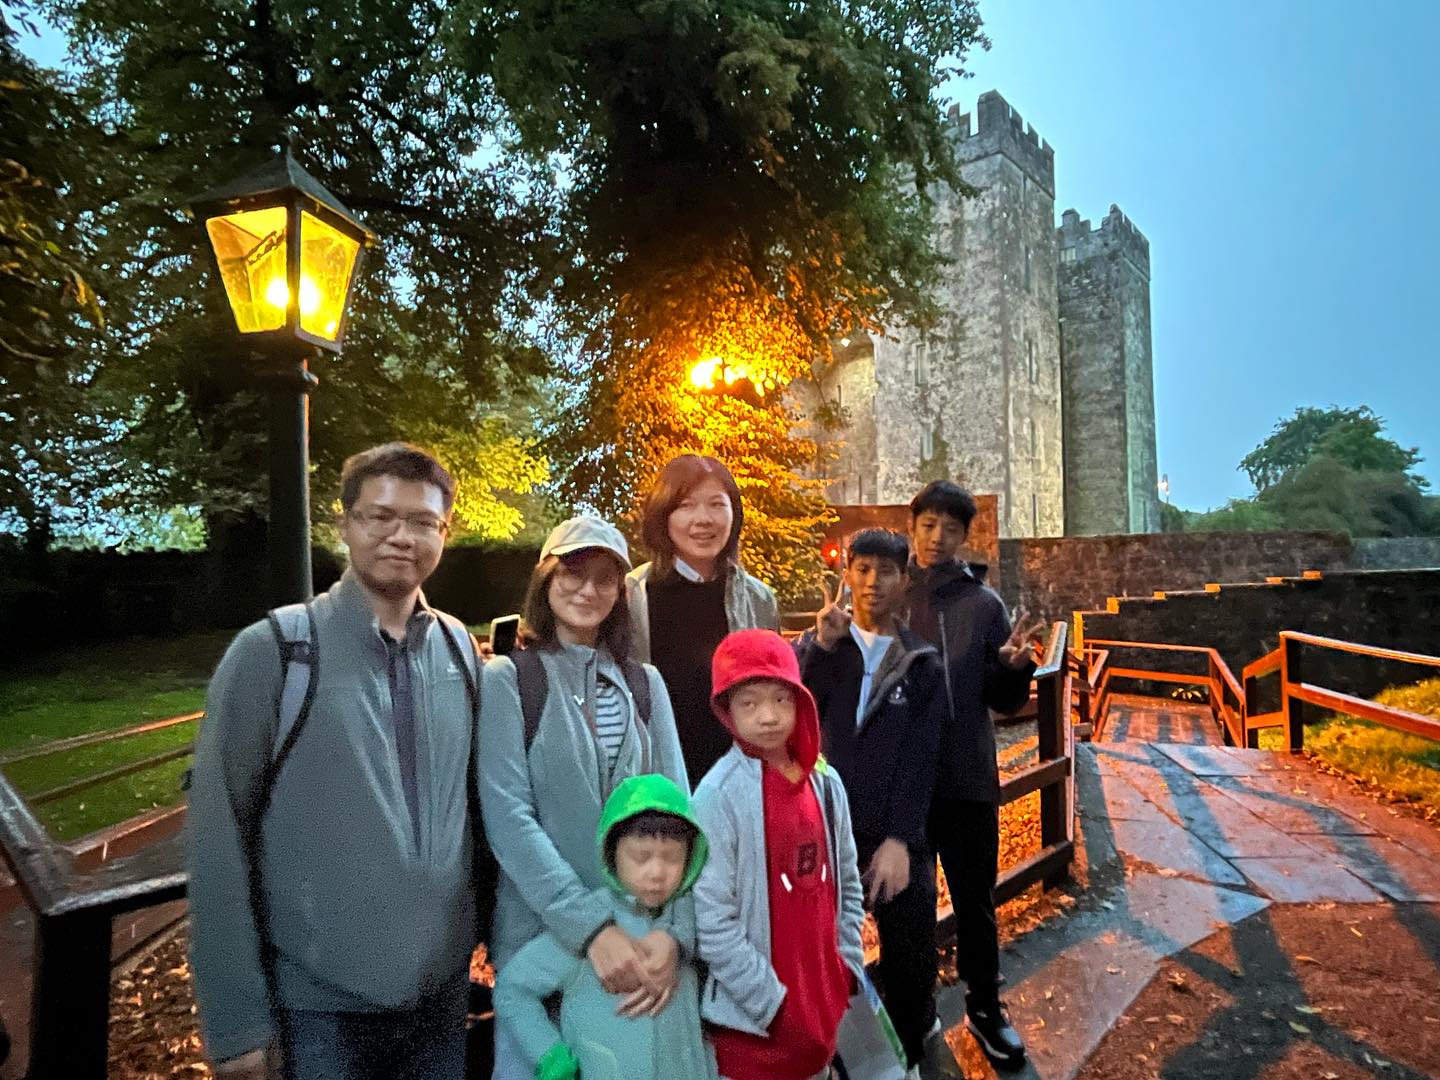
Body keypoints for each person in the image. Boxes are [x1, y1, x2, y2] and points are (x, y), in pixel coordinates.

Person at [188, 443, 484, 1079]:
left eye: (422, 522)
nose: (401, 536)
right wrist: (236, 1021)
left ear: (445, 533)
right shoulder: (275, 652)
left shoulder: (459, 651)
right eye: (380, 517)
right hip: (317, 1012)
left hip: (439, 1002)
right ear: (345, 523)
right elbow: (217, 837)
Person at [478, 515, 691, 1080]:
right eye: (573, 573)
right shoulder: (510, 681)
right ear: (546, 580)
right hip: (542, 942)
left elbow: (681, 812)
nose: (587, 590)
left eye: (604, 578)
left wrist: (675, 932)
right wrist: (591, 928)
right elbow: (509, 818)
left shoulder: (645, 685)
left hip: (641, 942)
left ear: (621, 594)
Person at [905, 481, 1043, 1071]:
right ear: (914, 528)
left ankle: (985, 1007)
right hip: (903, 785)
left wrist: (1015, 668)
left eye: (951, 529)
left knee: (974, 904)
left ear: (966, 536)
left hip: (965, 779)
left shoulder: (984, 605)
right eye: (928, 525)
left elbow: (1005, 701)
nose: (938, 538)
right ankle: (912, 1016)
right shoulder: (886, 595)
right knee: (904, 907)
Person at [796, 529, 944, 1077]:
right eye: (861, 568)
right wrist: (821, 646)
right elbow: (794, 715)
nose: (871, 581)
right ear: (847, 573)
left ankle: (905, 1052)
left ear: (904, 580)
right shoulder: (827, 647)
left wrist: (902, 840)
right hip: (827, 828)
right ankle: (832, 1054)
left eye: (885, 571)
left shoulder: (922, 663)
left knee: (910, 956)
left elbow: (922, 757)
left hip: (892, 833)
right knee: (821, 951)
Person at [692, 629, 865, 1080]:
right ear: (726, 709)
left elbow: (847, 881)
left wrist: (845, 965)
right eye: (749, 703)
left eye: (781, 700)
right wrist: (772, 1006)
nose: (767, 716)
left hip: (822, 1002)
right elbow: (713, 920)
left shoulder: (825, 784)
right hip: (755, 1029)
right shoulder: (718, 796)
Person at [492, 774, 717, 1080]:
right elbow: (512, 989)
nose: (657, 873)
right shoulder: (590, 925)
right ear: (612, 853)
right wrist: (549, 1054)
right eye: (641, 857)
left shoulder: (692, 928)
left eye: (672, 858)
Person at [626, 454, 780, 786]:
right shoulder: (631, 596)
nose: (703, 519)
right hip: (658, 781)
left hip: (741, 780)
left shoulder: (758, 600)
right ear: (663, 515)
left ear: (733, 514)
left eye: (716, 504)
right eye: (686, 505)